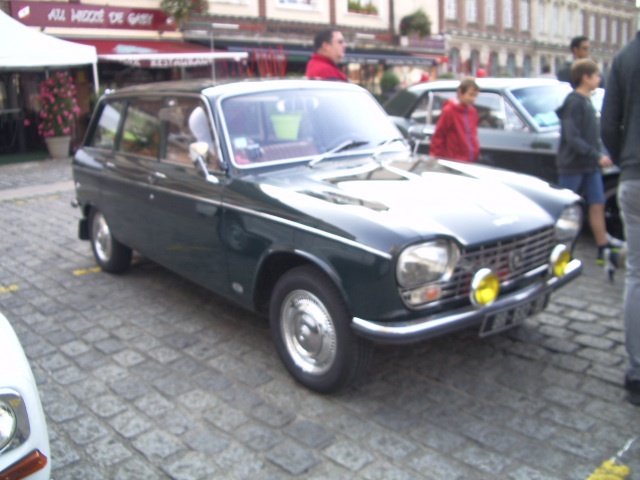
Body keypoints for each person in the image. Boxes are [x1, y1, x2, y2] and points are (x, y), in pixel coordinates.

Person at [600, 30, 640, 406]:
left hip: (634, 176)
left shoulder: (625, 57)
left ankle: (637, 372)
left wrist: (627, 156)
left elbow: (608, 125)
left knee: (637, 275)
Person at [555, 59, 613, 264]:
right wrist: (596, 154)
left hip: (590, 164)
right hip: (573, 164)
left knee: (598, 203)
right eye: (596, 75)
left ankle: (602, 247)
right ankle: (562, 250)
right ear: (585, 78)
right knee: (568, 210)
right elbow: (572, 137)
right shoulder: (573, 102)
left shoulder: (589, 100)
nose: (599, 78)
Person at [429, 77, 480, 163]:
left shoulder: (472, 112)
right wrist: (436, 158)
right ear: (460, 92)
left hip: (470, 160)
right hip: (454, 160)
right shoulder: (449, 111)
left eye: (475, 96)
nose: (473, 99)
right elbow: (439, 136)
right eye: (471, 95)